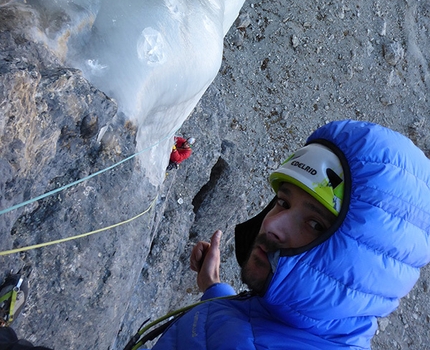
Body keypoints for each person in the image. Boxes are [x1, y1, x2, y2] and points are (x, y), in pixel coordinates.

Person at [3, 120, 430, 350]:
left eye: (315, 223)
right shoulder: (297, 317)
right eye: (282, 202)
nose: (273, 226)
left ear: (357, 267)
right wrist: (214, 288)